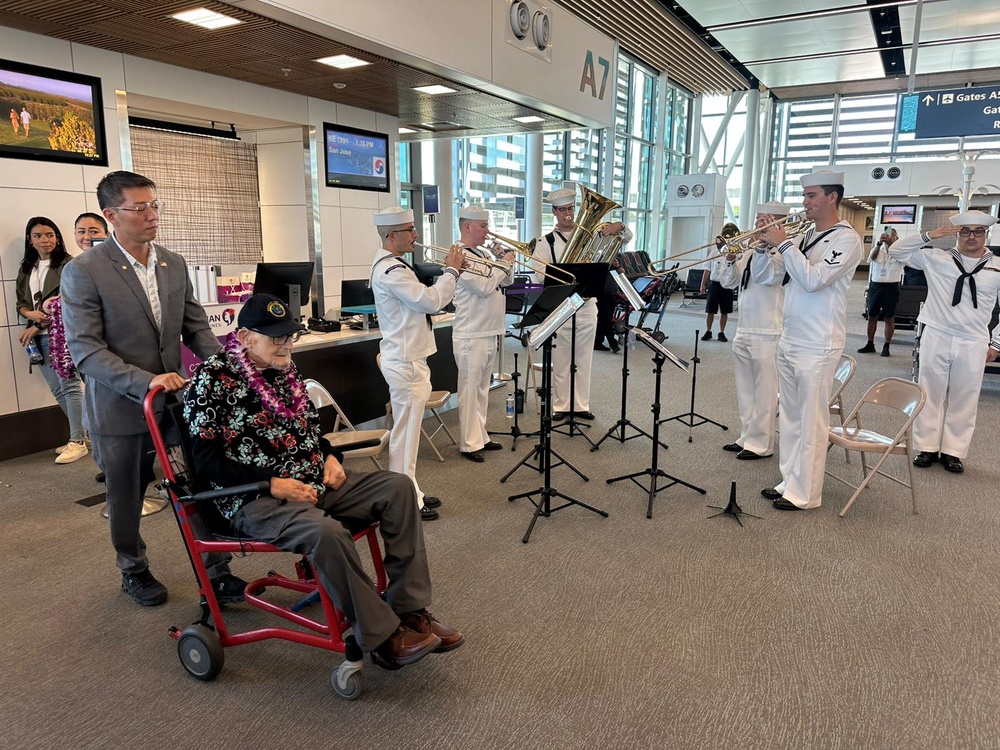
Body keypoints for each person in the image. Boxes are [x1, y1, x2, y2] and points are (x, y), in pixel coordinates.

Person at [184, 293, 462, 669]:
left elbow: (312, 431)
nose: (286, 345)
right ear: (246, 337)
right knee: (326, 533)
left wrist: (331, 456)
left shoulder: (285, 369)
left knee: (397, 487)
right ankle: (380, 635)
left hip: (313, 481)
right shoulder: (212, 378)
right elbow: (206, 464)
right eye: (276, 338)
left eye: (289, 336)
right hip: (252, 498)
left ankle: (410, 611)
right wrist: (271, 483)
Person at [61, 170, 244, 606]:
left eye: (154, 205)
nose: (151, 215)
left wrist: (230, 369)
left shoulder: (172, 263)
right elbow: (87, 352)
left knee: (196, 485)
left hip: (177, 405)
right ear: (111, 215)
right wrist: (148, 382)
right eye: (139, 208)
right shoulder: (84, 271)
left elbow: (196, 328)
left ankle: (216, 570)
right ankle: (133, 568)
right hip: (122, 410)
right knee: (126, 494)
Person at [758, 169, 863, 511]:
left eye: (811, 196)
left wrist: (784, 243)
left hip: (818, 341)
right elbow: (773, 276)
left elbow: (814, 279)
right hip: (791, 337)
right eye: (804, 196)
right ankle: (790, 480)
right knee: (789, 415)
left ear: (832, 197)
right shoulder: (805, 237)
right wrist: (764, 247)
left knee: (811, 420)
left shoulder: (846, 239)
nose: (805, 203)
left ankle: (806, 494)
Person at [887, 211, 1000, 474]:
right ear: (957, 233)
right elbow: (897, 251)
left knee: (965, 397)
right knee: (929, 392)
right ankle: (926, 447)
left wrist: (996, 344)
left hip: (973, 340)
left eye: (978, 231)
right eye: (965, 231)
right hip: (937, 333)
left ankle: (953, 451)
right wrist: (930, 236)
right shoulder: (937, 258)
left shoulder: (997, 267)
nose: (971, 236)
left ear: (986, 234)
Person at [370, 206, 464, 520]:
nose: (416, 235)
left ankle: (411, 492)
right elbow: (430, 301)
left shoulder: (394, 265)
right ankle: (403, 503)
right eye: (410, 229)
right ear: (392, 235)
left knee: (406, 436)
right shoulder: (391, 269)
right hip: (406, 363)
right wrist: (451, 272)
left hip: (408, 360)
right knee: (406, 438)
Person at [533, 187, 632, 420]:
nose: (568, 214)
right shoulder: (544, 242)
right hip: (561, 306)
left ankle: (580, 404)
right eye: (563, 210)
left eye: (571, 208)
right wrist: (565, 271)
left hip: (587, 304)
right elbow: (539, 274)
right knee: (561, 358)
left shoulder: (593, 235)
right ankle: (561, 405)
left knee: (584, 358)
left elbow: (626, 238)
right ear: (554, 212)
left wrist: (619, 226)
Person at [15, 217, 88, 464]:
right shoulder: (27, 267)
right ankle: (85, 434)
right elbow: (21, 303)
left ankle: (77, 441)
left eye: (49, 234)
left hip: (62, 336)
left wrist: (37, 325)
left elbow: (67, 302)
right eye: (38, 235)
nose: (44, 240)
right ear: (30, 239)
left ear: (57, 237)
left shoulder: (69, 264)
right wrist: (29, 315)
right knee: (57, 389)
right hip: (39, 339)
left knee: (70, 387)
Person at [723, 202, 789, 461]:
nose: (759, 225)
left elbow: (767, 277)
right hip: (744, 326)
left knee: (765, 390)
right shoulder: (751, 249)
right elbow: (729, 282)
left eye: (765, 220)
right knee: (745, 388)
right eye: (758, 219)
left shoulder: (785, 251)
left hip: (768, 328)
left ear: (780, 223)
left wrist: (763, 246)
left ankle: (761, 443)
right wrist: (730, 258)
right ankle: (747, 435)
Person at [452, 205, 513, 463]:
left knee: (482, 390)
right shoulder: (458, 255)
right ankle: (468, 442)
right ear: (468, 227)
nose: (488, 231)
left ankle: (481, 435)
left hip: (489, 330)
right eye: (483, 226)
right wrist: (501, 264)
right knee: (469, 389)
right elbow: (484, 287)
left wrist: (502, 261)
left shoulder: (484, 252)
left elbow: (506, 282)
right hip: (471, 332)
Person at [858, 227, 902, 356]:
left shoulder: (899, 252)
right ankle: (870, 343)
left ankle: (886, 346)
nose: (889, 237)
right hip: (876, 286)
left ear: (896, 238)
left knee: (889, 317)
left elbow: (903, 260)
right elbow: (872, 257)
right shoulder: (878, 249)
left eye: (892, 235)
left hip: (891, 287)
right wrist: (879, 244)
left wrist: (891, 244)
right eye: (887, 235)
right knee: (872, 316)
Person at [700, 223, 741, 342]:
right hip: (714, 284)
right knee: (710, 310)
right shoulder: (714, 253)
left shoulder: (736, 254)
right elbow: (707, 269)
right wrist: (702, 284)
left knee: (725, 310)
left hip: (727, 286)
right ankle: (708, 331)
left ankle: (721, 332)